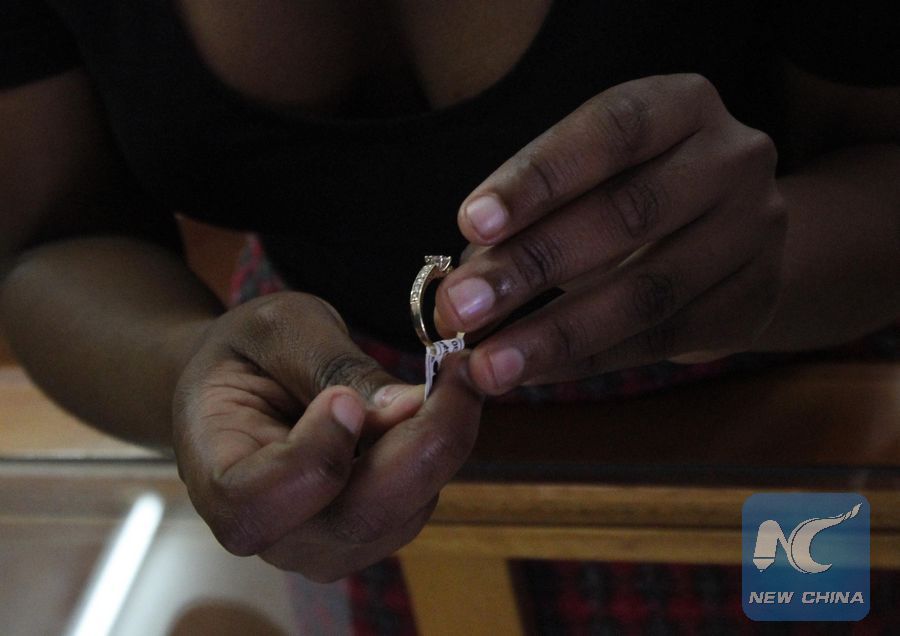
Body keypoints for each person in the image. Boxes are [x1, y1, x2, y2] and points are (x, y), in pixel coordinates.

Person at [1, 0, 898, 590]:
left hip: (788, 444)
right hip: (342, 482)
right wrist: (191, 372)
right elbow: (55, 238)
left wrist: (772, 265)